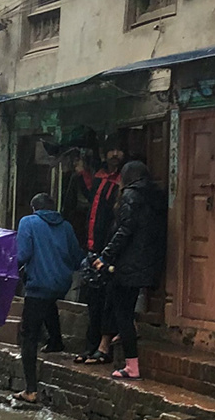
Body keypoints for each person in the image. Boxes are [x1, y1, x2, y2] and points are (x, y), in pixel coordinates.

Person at [93, 159, 166, 381]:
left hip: (126, 265)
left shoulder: (129, 197)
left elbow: (124, 231)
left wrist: (105, 255)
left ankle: (131, 366)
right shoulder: (156, 197)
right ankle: (128, 356)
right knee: (127, 311)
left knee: (122, 314)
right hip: (146, 264)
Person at [14, 192, 85, 402]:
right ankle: (56, 341)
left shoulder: (28, 222)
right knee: (48, 303)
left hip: (39, 285)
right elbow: (75, 257)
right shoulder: (66, 226)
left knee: (29, 335)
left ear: (34, 208)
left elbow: (23, 254)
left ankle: (30, 390)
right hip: (61, 284)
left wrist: (9, 268)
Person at [75, 146, 125, 365]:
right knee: (93, 301)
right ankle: (90, 346)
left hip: (109, 252)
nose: (114, 154)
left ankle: (103, 349)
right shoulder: (99, 177)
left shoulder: (122, 181)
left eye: (118, 151)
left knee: (106, 302)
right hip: (93, 248)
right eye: (111, 150)